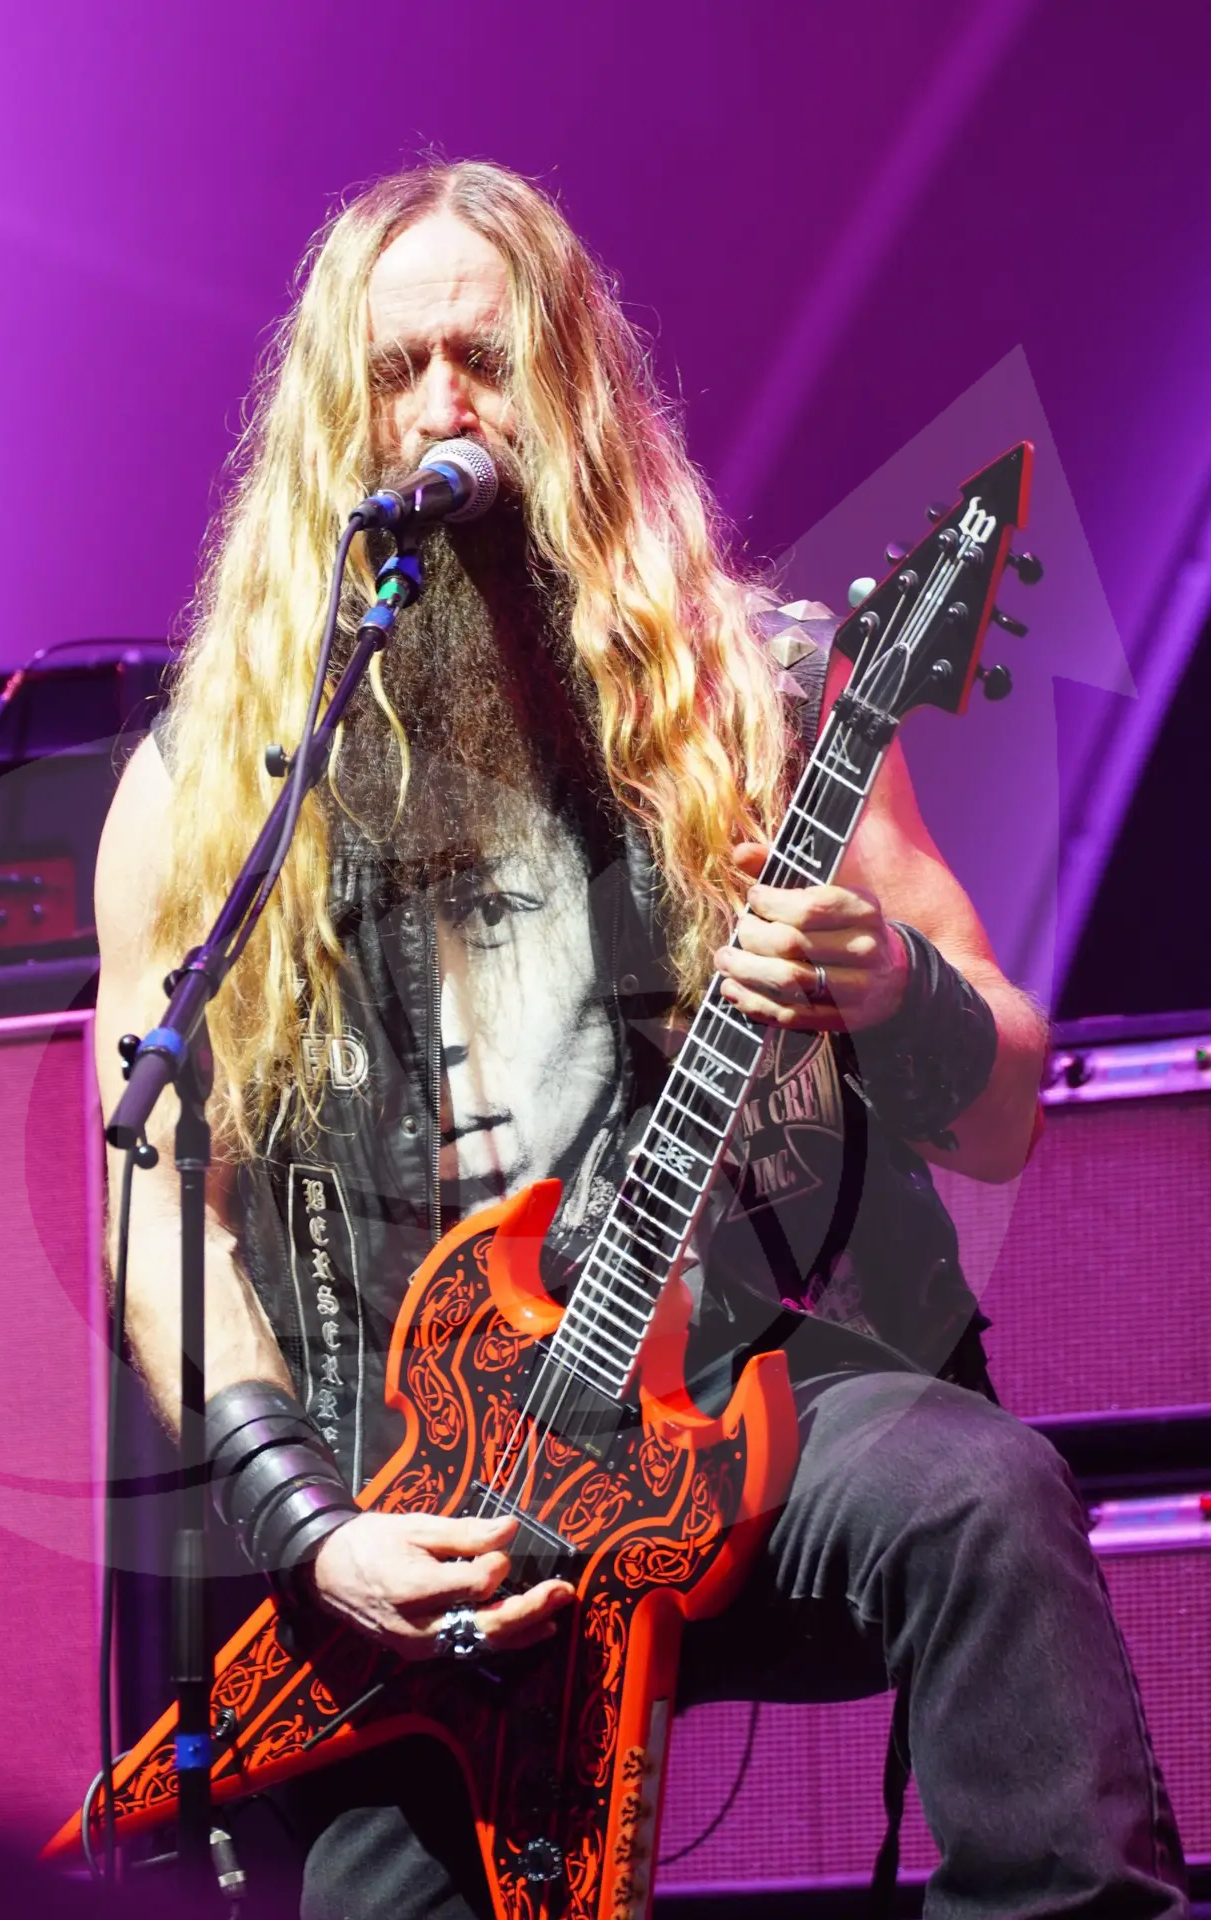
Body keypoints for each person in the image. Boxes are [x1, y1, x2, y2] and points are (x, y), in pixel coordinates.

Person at [94, 163, 1187, 1918]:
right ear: (329, 424)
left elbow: (1000, 1112)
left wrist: (891, 983)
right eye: (395, 372)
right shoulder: (214, 782)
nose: (441, 410)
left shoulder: (762, 696)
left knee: (983, 1499)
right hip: (437, 1504)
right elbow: (158, 1199)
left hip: (748, 1402)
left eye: (486, 360)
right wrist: (313, 1524)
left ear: (577, 394)